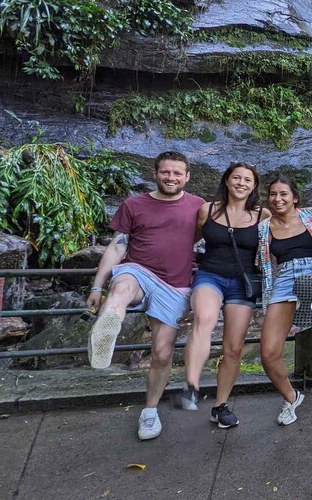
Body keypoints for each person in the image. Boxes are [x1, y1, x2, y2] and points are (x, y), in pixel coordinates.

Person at [86, 151, 205, 440]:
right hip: (138, 270)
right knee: (123, 287)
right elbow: (117, 246)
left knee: (162, 354)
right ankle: (105, 330)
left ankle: (149, 411)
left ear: (187, 177)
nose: (171, 178)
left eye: (178, 173)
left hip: (176, 285)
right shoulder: (134, 204)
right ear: (155, 173)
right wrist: (97, 286)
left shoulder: (198, 206)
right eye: (166, 172)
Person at [176, 162, 268, 429]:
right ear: (226, 181)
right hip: (210, 276)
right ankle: (191, 386)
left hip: (243, 283)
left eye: (247, 180)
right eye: (236, 178)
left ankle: (220, 405)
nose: (241, 183)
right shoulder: (208, 210)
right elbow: (184, 242)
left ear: (253, 186)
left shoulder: (263, 215)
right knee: (204, 319)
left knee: (233, 348)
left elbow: (290, 227)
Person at [256, 176, 312, 427]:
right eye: (273, 195)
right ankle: (291, 397)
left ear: (295, 198)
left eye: (283, 194)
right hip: (283, 279)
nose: (277, 199)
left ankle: (309, 306)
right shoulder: (264, 228)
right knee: (268, 353)